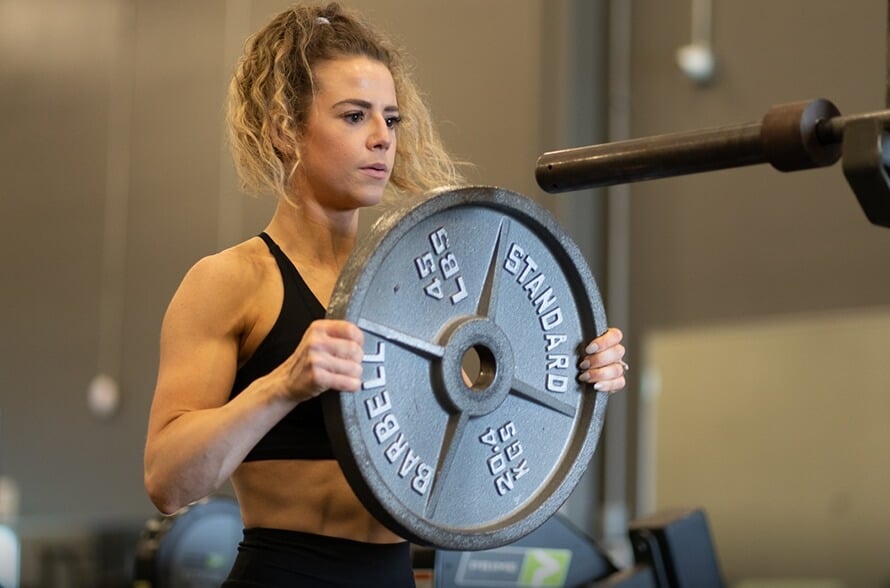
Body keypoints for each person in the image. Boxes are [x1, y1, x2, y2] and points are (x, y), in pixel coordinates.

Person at [142, 3, 628, 587]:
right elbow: (168, 482)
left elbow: (478, 440)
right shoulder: (233, 281)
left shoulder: (423, 291)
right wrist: (283, 385)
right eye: (354, 116)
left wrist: (573, 375)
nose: (381, 139)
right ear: (282, 129)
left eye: (391, 120)